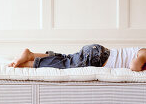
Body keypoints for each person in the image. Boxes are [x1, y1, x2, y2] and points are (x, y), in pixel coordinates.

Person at [8, 44, 146, 72]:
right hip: (98, 58)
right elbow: (134, 66)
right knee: (65, 65)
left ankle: (30, 55)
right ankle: (26, 64)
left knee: (66, 58)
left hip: (96, 53)